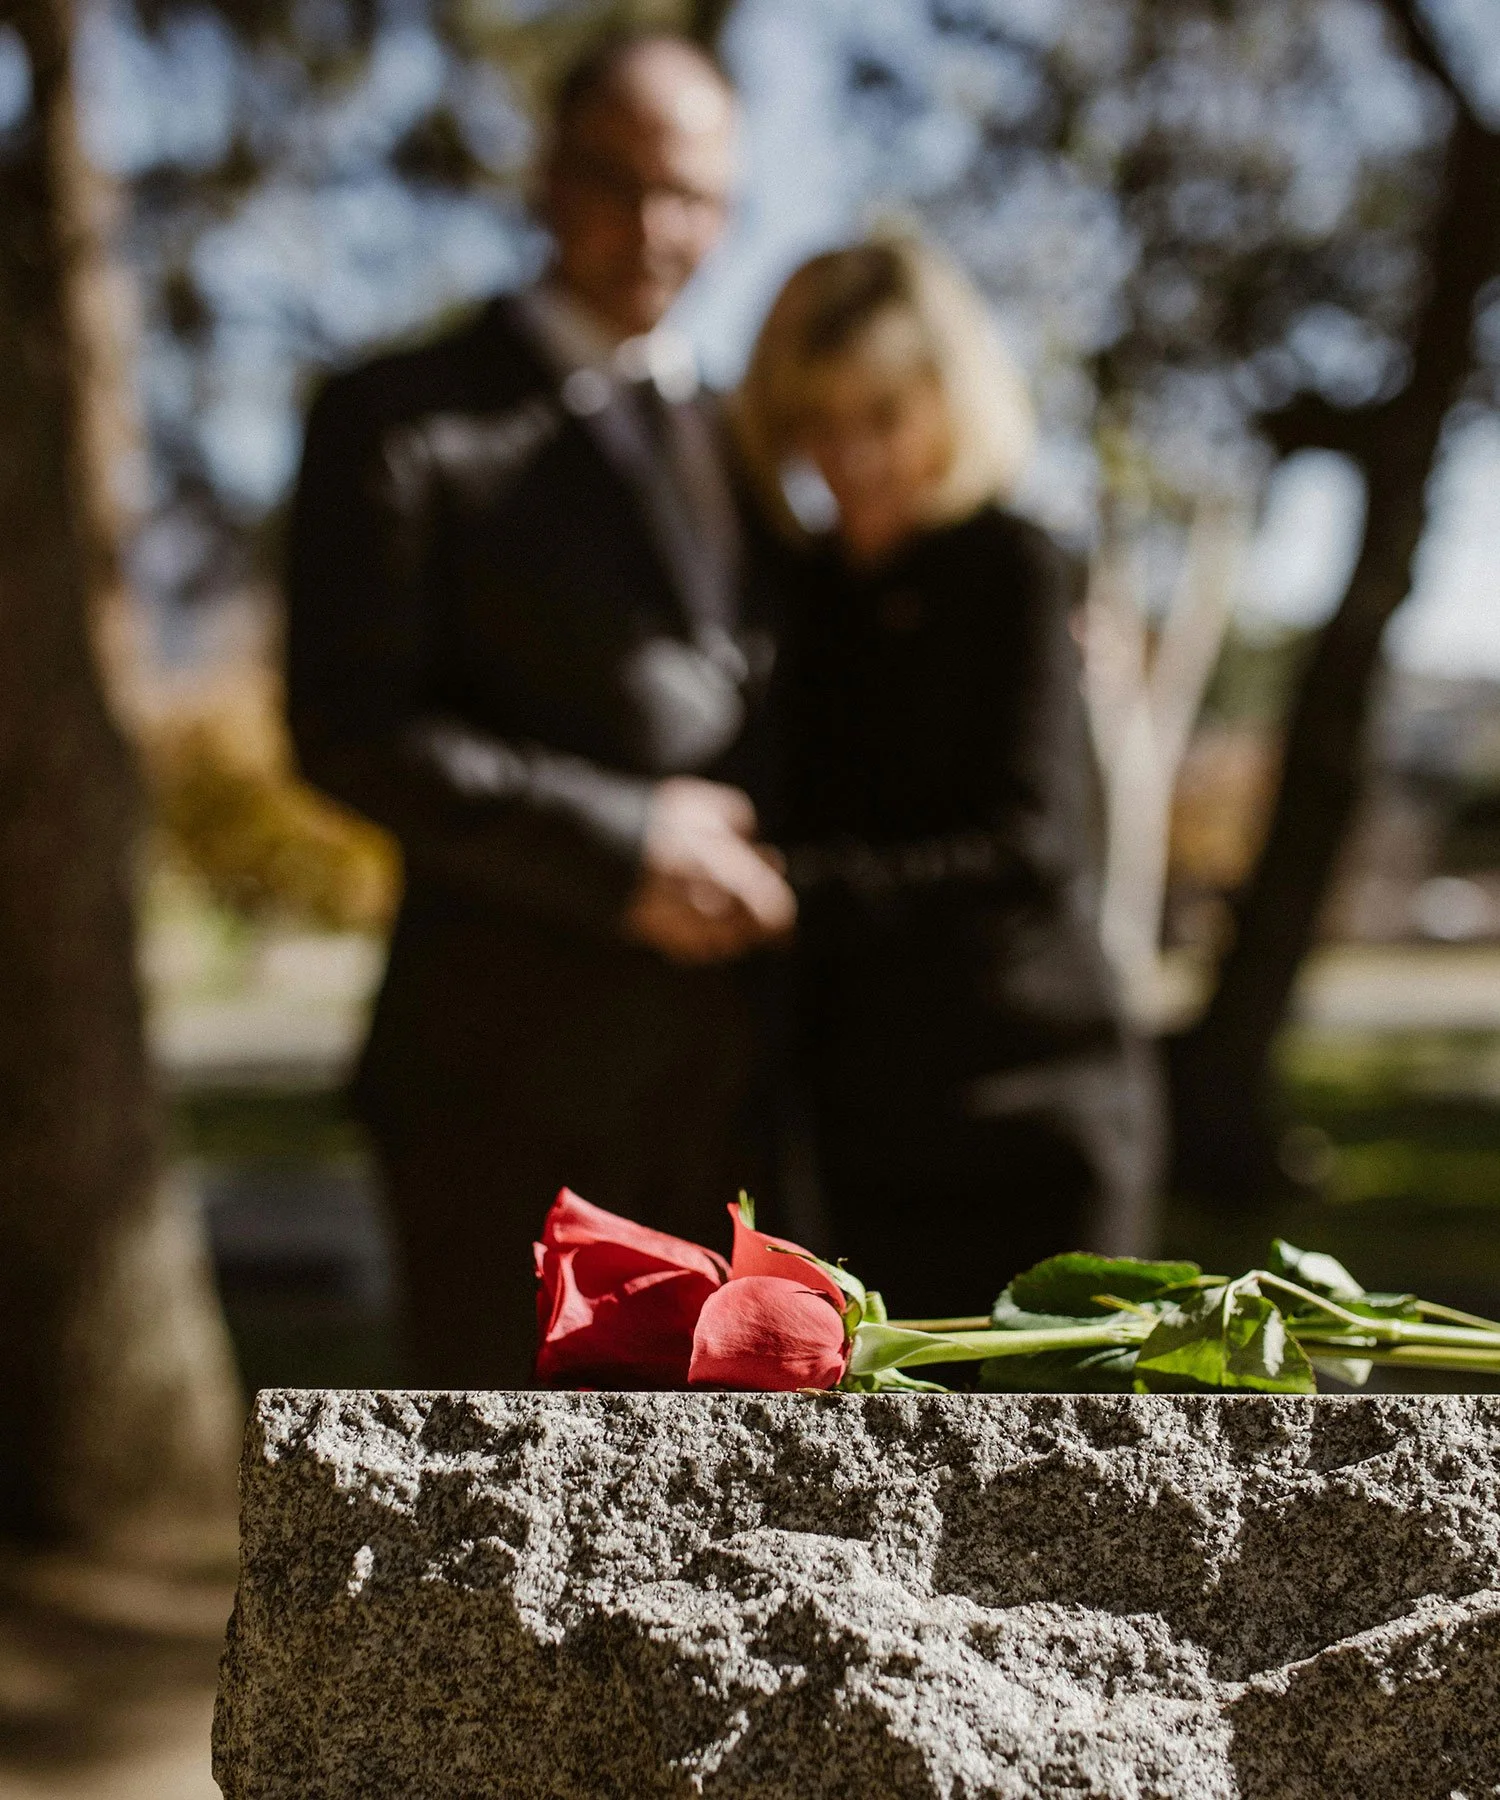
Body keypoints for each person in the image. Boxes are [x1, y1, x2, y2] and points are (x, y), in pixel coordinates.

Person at [286, 32, 796, 1387]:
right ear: (545, 178)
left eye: (693, 194)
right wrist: (621, 841)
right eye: (615, 180)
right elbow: (345, 726)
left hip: (745, 1097)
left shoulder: (750, 433)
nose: (654, 226)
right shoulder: (399, 419)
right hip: (499, 1098)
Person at [738, 238, 1161, 1320]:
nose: (851, 459)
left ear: (948, 403)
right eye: (818, 426)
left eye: (882, 418)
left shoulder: (1013, 565)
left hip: (1032, 1104)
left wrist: (793, 892)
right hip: (858, 1123)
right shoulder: (795, 590)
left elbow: (1030, 845)